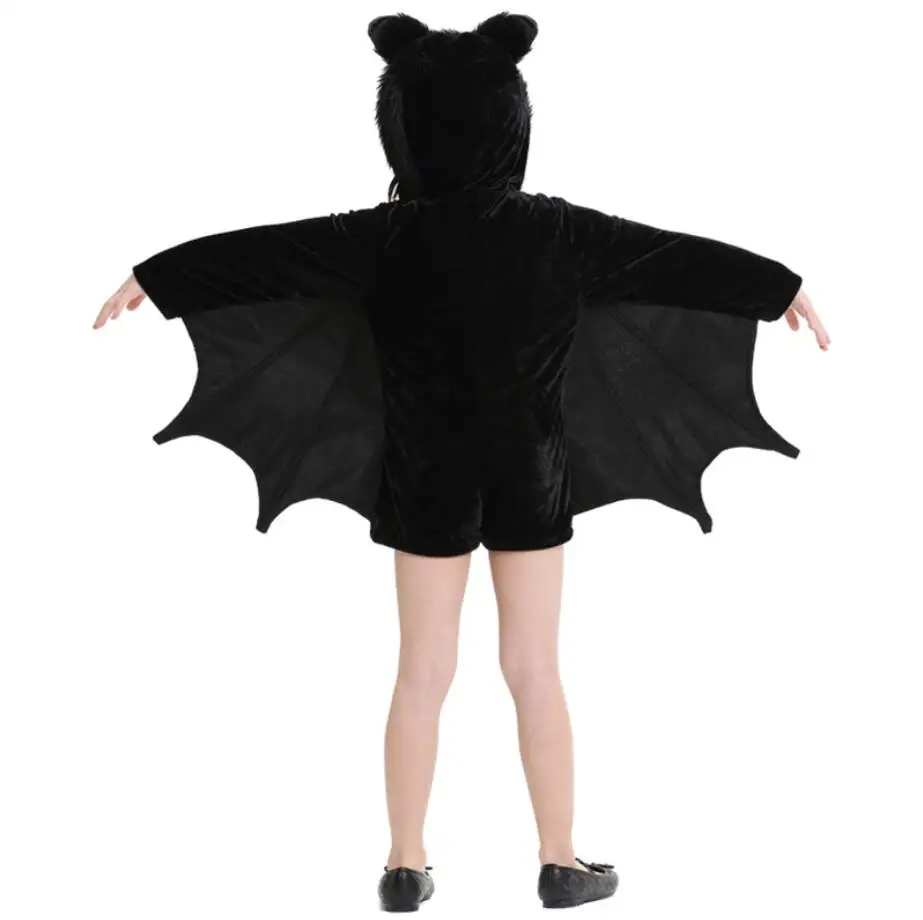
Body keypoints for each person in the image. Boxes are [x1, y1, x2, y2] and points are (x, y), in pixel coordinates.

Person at [93, 12, 829, 912]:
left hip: (423, 479)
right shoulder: (558, 232)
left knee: (420, 672)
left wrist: (160, 274)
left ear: (400, 127)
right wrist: (777, 285)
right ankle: (559, 860)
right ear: (511, 121)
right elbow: (673, 259)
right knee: (534, 668)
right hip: (530, 475)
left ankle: (404, 865)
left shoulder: (378, 237)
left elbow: (263, 255)